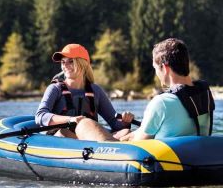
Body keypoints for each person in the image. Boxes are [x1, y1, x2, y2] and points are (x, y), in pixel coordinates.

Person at [75, 38, 215, 142]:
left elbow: (140, 141)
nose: (156, 74)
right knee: (124, 132)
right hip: (195, 157)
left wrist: (122, 138)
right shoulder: (205, 92)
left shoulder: (162, 102)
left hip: (162, 160)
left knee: (85, 124)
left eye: (155, 69)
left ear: (165, 68)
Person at [35, 43, 134, 139]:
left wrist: (125, 122)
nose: (65, 65)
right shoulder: (54, 89)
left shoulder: (96, 90)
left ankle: (114, 147)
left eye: (71, 61)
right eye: (63, 62)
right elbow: (40, 116)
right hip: (63, 137)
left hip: (89, 137)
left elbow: (114, 123)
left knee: (125, 132)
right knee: (65, 133)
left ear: (83, 64)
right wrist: (70, 119)